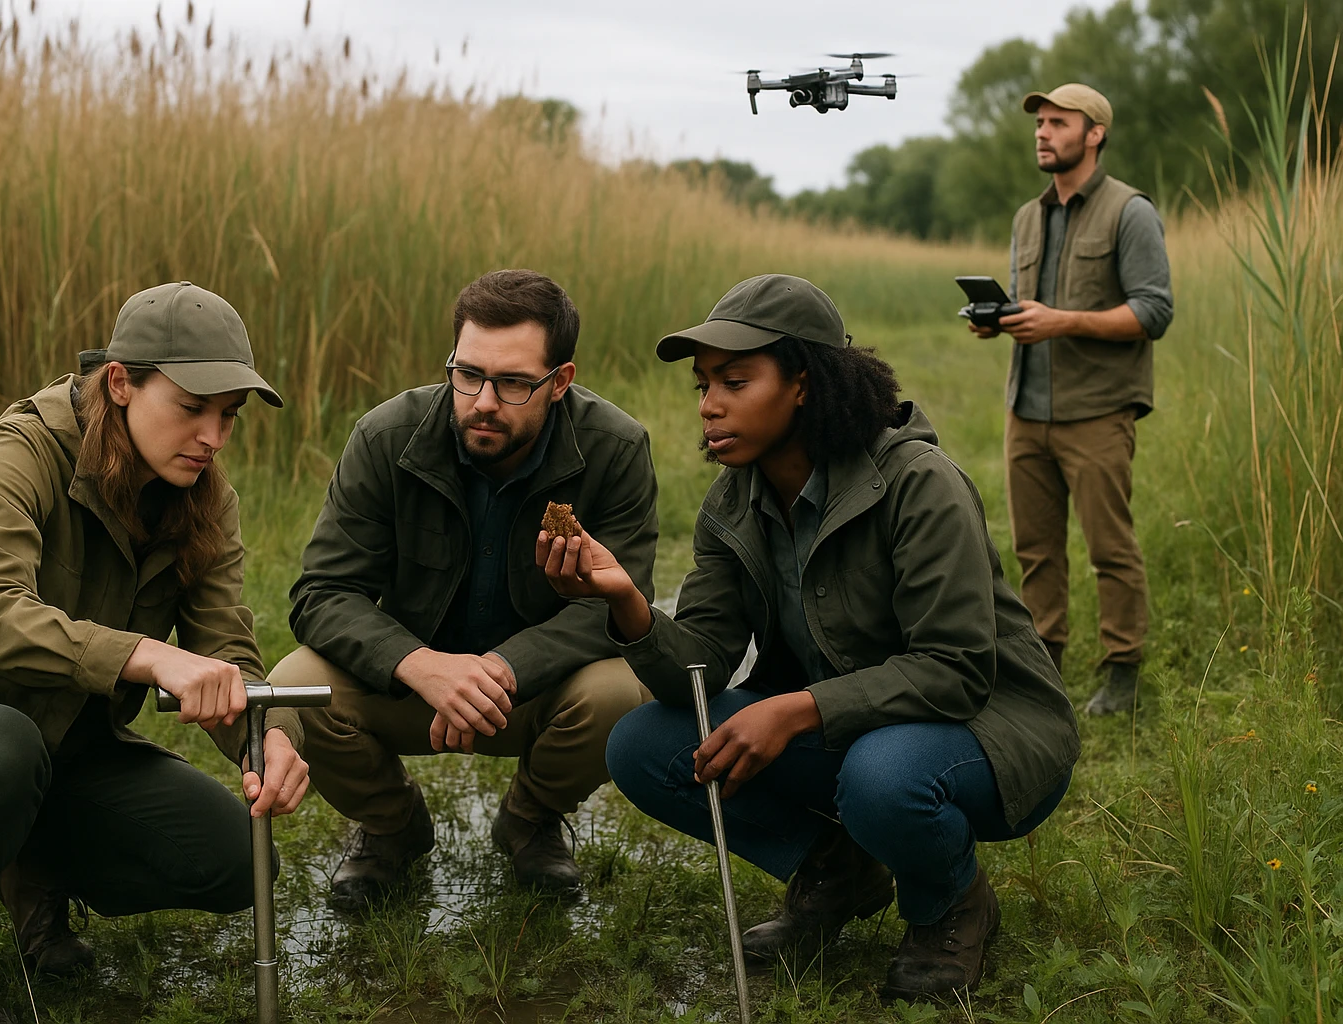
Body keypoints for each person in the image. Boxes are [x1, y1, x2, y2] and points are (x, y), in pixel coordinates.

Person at [543, 275, 1079, 998]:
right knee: (643, 745)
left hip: (988, 728)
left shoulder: (919, 483)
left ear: (804, 384)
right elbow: (694, 677)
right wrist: (628, 604)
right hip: (857, 729)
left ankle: (951, 902)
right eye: (702, 385)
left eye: (735, 380)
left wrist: (796, 709)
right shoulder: (733, 500)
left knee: (881, 777)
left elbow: (955, 670)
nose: (709, 404)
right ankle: (839, 869)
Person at [0, 282, 310, 1024]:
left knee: (234, 860)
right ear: (120, 382)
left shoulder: (205, 496)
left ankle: (34, 873)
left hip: (66, 751)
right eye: (192, 408)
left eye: (229, 417)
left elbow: (228, 651)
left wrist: (269, 739)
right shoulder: (21, 450)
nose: (213, 437)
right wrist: (151, 656)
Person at [272, 269, 657, 909]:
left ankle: (530, 820)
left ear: (559, 382)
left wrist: (503, 667)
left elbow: (618, 608)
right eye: (467, 373)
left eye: (512, 383)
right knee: (293, 681)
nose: (482, 400)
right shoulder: (384, 436)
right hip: (410, 684)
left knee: (619, 693)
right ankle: (392, 826)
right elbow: (323, 594)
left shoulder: (616, 449)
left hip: (532, 694)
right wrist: (420, 666)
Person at [970, 83, 1174, 715]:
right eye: (1040, 123)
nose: (1043, 132)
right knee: (1035, 550)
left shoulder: (1129, 211)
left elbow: (1154, 311)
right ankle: (1043, 663)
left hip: (1098, 410)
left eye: (1059, 122)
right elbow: (1026, 305)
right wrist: (995, 319)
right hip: (1025, 410)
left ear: (1095, 134)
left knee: (1110, 548)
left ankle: (1123, 674)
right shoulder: (1027, 217)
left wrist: (1063, 321)